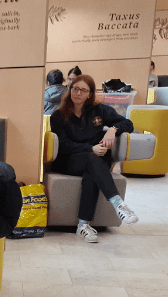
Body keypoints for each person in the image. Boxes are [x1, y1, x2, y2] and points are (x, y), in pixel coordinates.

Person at [50, 74, 138, 243]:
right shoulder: (58, 115)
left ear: (89, 94)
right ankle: (118, 204)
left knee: (92, 173)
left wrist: (113, 129)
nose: (78, 93)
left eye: (83, 90)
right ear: (70, 90)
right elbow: (64, 144)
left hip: (96, 160)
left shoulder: (100, 110)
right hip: (69, 161)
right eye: (75, 89)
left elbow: (128, 124)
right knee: (92, 160)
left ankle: (83, 225)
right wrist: (90, 148)